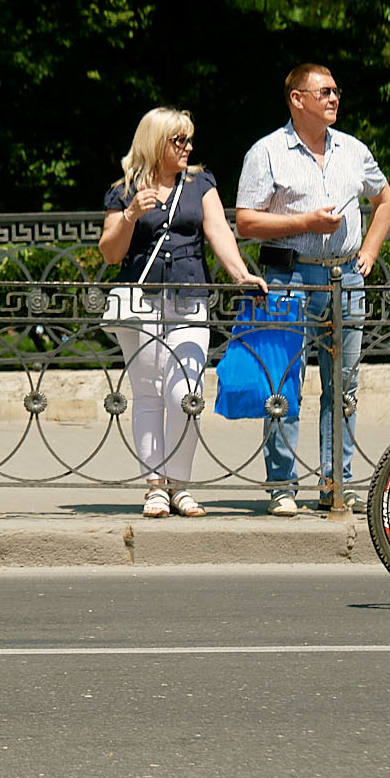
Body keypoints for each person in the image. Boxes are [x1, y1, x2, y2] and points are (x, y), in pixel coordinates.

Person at [234, 64, 390, 516]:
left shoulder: (353, 149)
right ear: (297, 99)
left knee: (343, 386)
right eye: (324, 91)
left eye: (336, 91)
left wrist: (369, 250)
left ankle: (335, 483)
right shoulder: (267, 152)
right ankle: (282, 486)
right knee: (282, 383)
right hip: (288, 278)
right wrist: (305, 223)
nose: (334, 98)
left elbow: (385, 200)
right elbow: (246, 222)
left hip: (345, 279)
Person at [99, 108, 267, 518]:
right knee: (149, 395)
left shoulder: (200, 184)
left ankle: (180, 485)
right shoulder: (123, 191)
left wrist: (240, 274)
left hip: (190, 298)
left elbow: (219, 231)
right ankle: (155, 487)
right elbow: (110, 252)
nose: (188, 147)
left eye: (189, 139)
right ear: (156, 142)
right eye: (179, 140)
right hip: (142, 303)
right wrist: (131, 215)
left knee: (185, 394)